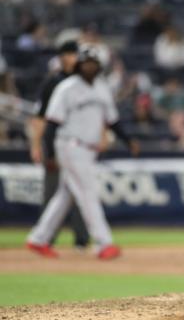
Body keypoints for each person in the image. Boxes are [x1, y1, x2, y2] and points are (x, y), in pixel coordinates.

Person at [26, 45, 140, 260]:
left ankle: (38, 238)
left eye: (93, 64)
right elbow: (51, 123)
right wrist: (49, 153)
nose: (89, 67)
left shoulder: (101, 88)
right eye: (86, 63)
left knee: (65, 195)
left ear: (99, 67)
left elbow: (112, 121)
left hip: (88, 149)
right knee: (87, 192)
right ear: (79, 65)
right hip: (70, 145)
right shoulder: (67, 88)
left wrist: (128, 140)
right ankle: (103, 243)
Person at [28, 41, 90, 250]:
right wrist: (36, 145)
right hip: (54, 143)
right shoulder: (52, 82)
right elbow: (39, 118)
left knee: (81, 193)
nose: (70, 58)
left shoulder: (86, 82)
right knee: (52, 191)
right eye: (67, 54)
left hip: (80, 144)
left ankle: (81, 240)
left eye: (73, 54)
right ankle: (47, 238)